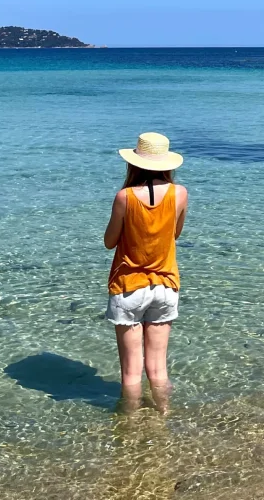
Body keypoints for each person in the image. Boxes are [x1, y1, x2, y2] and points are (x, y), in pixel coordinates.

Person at [104, 132, 188, 411]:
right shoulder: (180, 194)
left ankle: (130, 425)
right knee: (158, 368)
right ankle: (163, 415)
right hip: (166, 285)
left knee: (130, 373)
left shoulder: (125, 197)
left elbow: (109, 242)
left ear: (134, 163)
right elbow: (175, 233)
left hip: (129, 286)